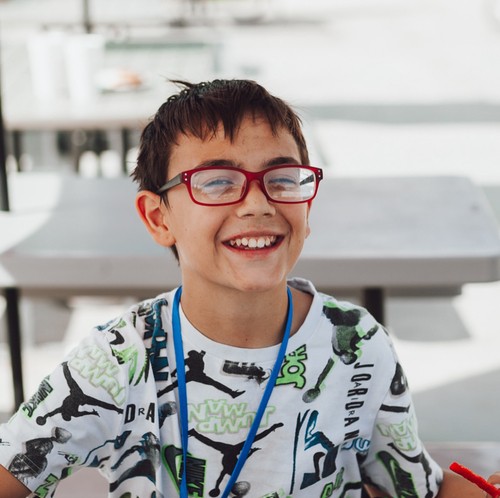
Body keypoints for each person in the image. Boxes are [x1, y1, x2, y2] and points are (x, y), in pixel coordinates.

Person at [0, 79, 486, 498]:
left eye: (282, 178)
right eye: (216, 182)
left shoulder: (357, 343)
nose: (257, 204)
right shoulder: (118, 358)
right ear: (158, 217)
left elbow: (416, 486)